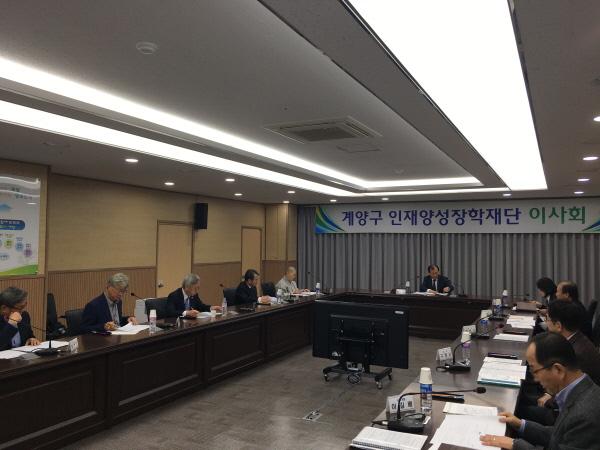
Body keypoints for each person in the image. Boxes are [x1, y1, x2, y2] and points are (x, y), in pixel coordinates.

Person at [480, 332, 600, 449]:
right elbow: (558, 436)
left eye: (535, 371)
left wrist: (515, 444)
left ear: (558, 370)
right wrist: (520, 424)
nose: (535, 379)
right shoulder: (579, 391)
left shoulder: (584, 415)